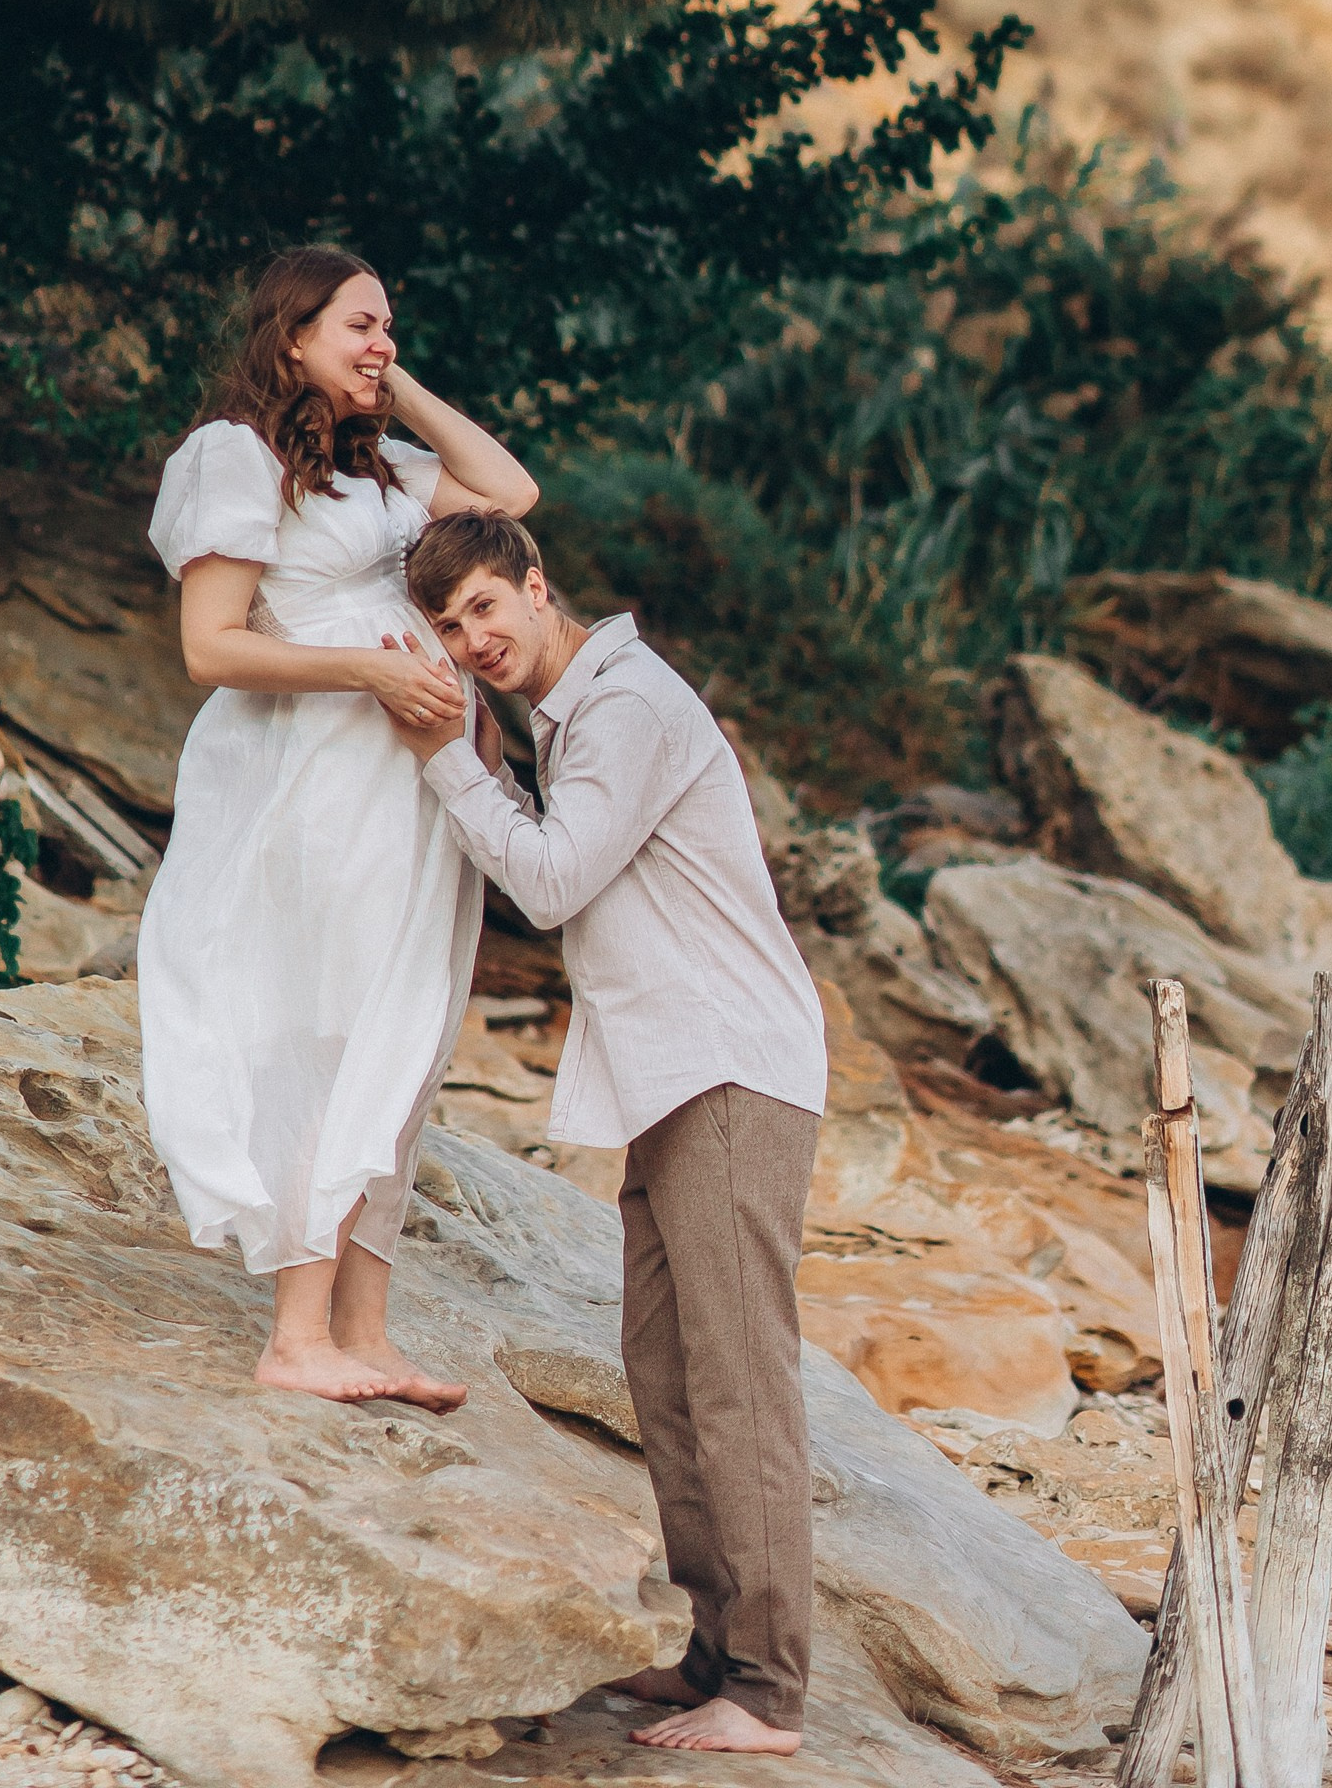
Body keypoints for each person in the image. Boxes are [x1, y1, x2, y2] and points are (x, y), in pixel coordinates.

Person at [391, 511, 827, 1761]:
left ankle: (771, 1689)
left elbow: (550, 880)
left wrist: (447, 758)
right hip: (670, 1077)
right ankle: (714, 1652)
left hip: (733, 1069)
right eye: (448, 629)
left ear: (537, 587)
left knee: (738, 1381)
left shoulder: (625, 703)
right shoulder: (574, 710)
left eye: (485, 609)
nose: (473, 642)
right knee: (666, 1373)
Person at [137, 246, 533, 1406]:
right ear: (289, 333)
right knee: (331, 1028)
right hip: (318, 779)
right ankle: (296, 1337)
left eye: (389, 325)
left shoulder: (383, 474)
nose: (380, 342)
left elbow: (509, 498)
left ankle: (364, 1330)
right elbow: (211, 646)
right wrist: (368, 669)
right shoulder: (235, 457)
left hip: (414, 785)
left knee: (405, 1035)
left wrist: (391, 384)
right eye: (359, 325)